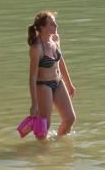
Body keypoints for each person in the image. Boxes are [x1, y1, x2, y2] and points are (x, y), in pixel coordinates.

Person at [27, 11, 76, 139]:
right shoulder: (36, 48)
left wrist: (69, 83)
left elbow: (61, 61)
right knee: (44, 125)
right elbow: (32, 77)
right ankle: (41, 151)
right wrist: (34, 104)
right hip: (43, 85)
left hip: (58, 82)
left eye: (55, 22)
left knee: (70, 118)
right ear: (42, 28)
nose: (56, 25)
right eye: (51, 24)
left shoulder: (55, 39)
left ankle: (59, 143)